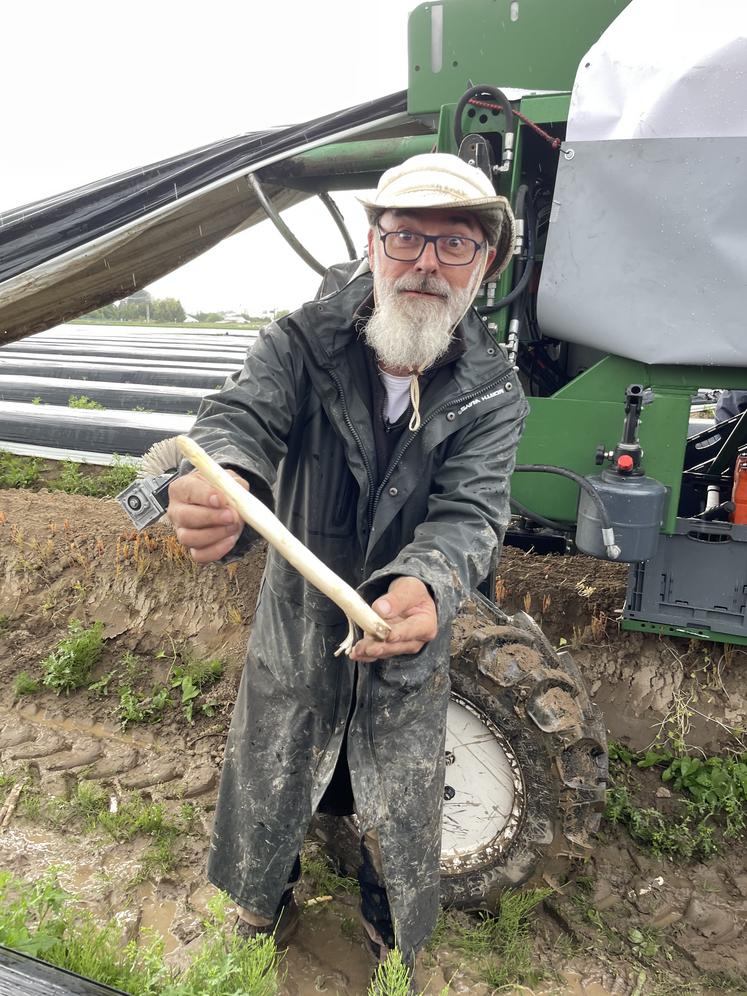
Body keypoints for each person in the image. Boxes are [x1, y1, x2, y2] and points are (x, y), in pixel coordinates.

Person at [167, 153, 529, 978]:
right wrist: (222, 481)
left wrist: (429, 582)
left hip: (409, 618)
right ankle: (265, 896)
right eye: (406, 237)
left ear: (486, 264)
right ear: (373, 242)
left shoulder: (492, 390)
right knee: (277, 757)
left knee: (397, 780)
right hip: (299, 612)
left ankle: (383, 914)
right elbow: (238, 420)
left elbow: (473, 512)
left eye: (454, 245)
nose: (426, 265)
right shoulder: (300, 342)